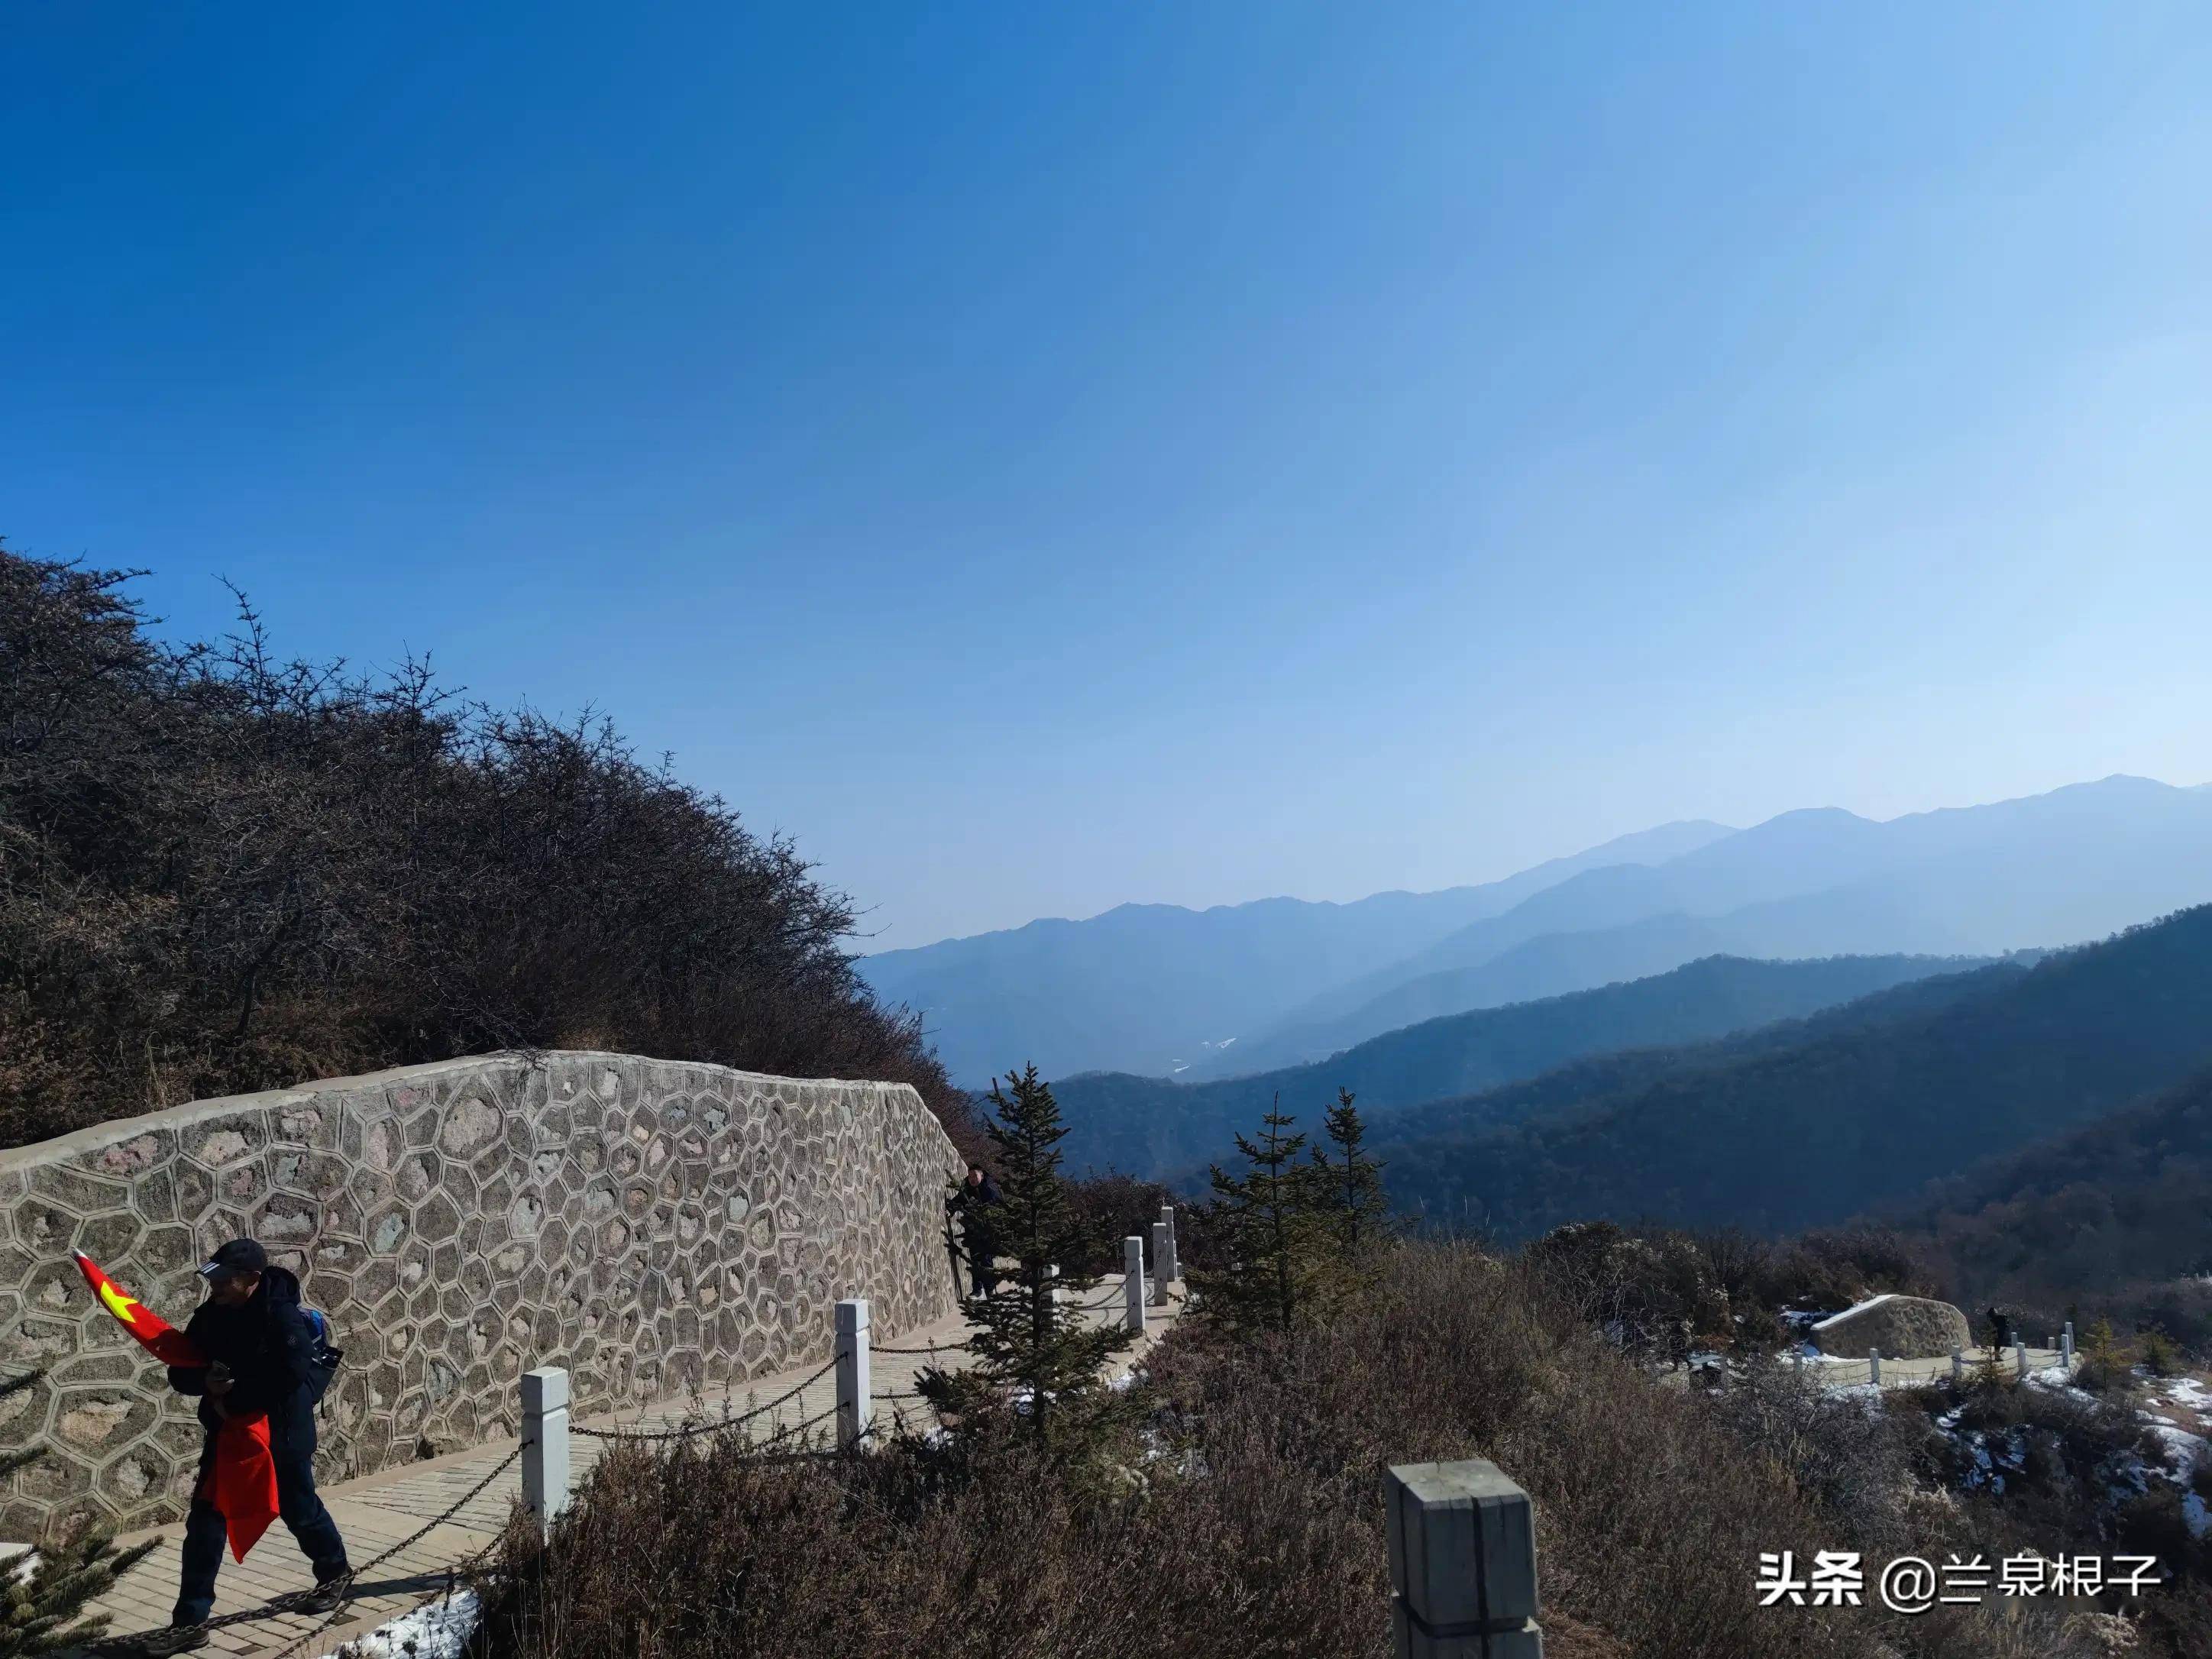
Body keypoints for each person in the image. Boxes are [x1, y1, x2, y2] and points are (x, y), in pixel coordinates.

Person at [144, 1240, 351, 1655]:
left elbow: (290, 1376)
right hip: (229, 1437)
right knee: (206, 1522)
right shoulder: (209, 1315)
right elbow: (182, 1370)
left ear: (251, 1281)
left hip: (282, 1435)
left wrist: (233, 1395)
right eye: (212, 1277)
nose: (213, 1286)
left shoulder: (281, 1315)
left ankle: (334, 1573)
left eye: (222, 1279)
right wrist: (206, 1384)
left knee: (299, 1509)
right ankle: (189, 1621)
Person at [949, 1163, 1002, 1300]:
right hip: (972, 1231)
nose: (972, 1178)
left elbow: (999, 1207)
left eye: (975, 1175)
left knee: (986, 1261)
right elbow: (958, 1200)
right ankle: (977, 1290)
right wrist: (950, 1210)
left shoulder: (990, 1189)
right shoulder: (966, 1188)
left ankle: (990, 1291)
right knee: (975, 1261)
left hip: (987, 1232)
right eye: (970, 1175)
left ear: (982, 1175)